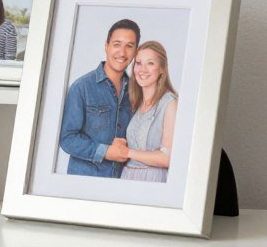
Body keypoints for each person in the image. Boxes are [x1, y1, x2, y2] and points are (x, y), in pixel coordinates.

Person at [58, 19, 139, 178]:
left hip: (122, 182)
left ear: (136, 51)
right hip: (85, 182)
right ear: (106, 46)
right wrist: (106, 151)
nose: (122, 53)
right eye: (117, 44)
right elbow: (67, 139)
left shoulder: (137, 92)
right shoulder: (82, 87)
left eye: (129, 46)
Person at [119, 41, 178, 183]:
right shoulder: (135, 102)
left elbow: (168, 158)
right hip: (127, 178)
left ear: (162, 69)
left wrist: (127, 152)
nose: (142, 69)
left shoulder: (170, 103)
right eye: (138, 63)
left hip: (152, 181)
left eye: (150, 63)